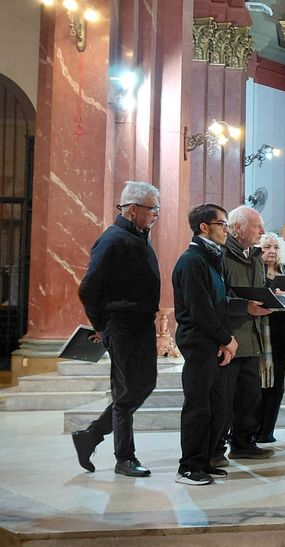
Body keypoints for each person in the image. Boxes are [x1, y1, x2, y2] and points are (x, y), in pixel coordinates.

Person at [73, 181, 161, 477]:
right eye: (153, 209)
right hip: (122, 325)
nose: (155, 215)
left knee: (145, 384)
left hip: (141, 325)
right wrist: (104, 327)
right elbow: (88, 289)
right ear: (134, 210)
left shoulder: (139, 236)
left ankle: (91, 435)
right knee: (125, 392)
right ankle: (125, 458)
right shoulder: (112, 239)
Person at [172, 204, 240, 485]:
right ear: (204, 227)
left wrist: (223, 341)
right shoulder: (192, 261)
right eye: (223, 224)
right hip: (199, 342)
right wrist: (226, 339)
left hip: (213, 342)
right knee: (198, 406)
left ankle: (206, 459)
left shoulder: (212, 258)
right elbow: (200, 309)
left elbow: (218, 304)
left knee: (217, 405)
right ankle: (188, 467)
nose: (227, 229)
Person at [219, 206, 273, 463]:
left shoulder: (255, 257)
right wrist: (246, 307)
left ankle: (243, 442)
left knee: (250, 395)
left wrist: (275, 299)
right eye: (256, 226)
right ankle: (217, 446)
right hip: (229, 338)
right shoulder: (221, 255)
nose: (262, 231)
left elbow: (259, 290)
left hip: (251, 337)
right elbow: (215, 298)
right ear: (237, 228)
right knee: (224, 398)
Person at [254, 232, 285, 444]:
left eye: (275, 247)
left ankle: (267, 432)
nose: (271, 251)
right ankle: (252, 430)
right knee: (259, 386)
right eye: (266, 247)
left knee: (277, 385)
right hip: (263, 334)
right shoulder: (255, 271)